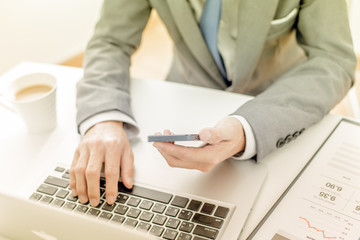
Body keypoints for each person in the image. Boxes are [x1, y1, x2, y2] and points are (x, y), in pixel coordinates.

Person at [70, 0, 357, 207]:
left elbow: (334, 60)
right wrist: (102, 118)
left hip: (280, 106)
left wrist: (248, 128)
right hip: (184, 98)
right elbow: (110, 41)